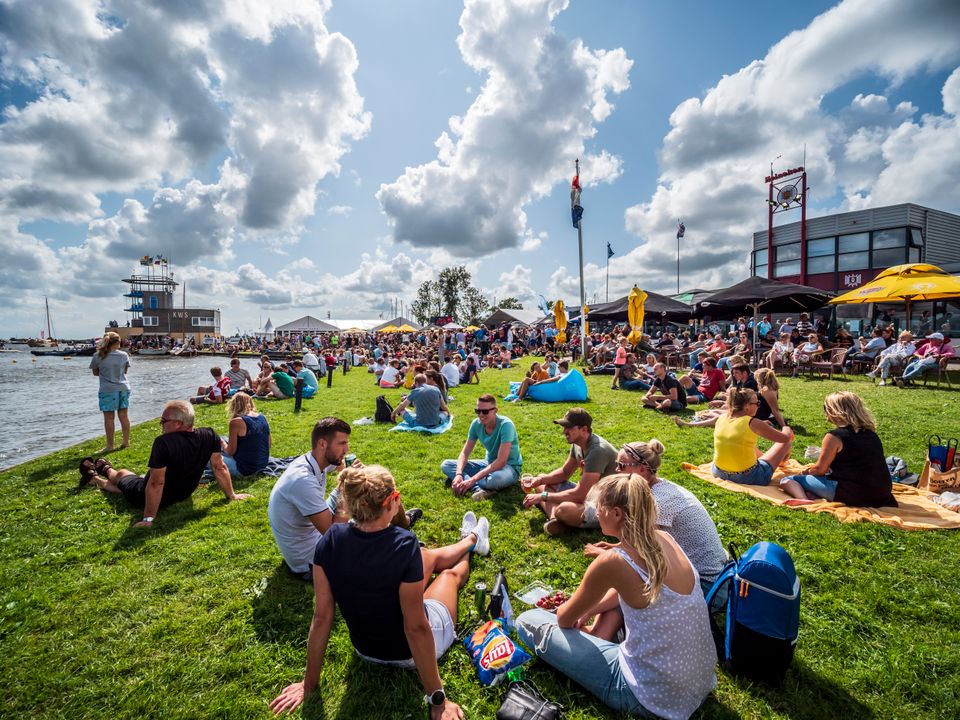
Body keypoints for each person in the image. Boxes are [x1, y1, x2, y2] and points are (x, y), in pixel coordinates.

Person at [270, 466, 489, 719]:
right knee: (449, 576)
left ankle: (469, 540)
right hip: (408, 654)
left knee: (426, 558)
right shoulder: (404, 545)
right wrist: (438, 700)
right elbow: (416, 628)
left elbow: (321, 618)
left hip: (365, 649)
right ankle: (473, 541)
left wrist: (308, 685)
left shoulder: (329, 540)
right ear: (392, 501)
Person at [515, 473, 717, 718]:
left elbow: (564, 620)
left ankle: (596, 640)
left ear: (617, 513)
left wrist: (575, 611)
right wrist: (591, 609)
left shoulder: (612, 562)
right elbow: (632, 590)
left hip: (648, 696)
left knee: (528, 620)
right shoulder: (665, 539)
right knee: (608, 609)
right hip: (699, 682)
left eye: (599, 507)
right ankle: (602, 636)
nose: (595, 513)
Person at [586, 440, 728, 597]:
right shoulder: (659, 488)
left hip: (707, 585)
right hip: (716, 574)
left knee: (625, 581)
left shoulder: (657, 503)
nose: (616, 470)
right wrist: (617, 547)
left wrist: (605, 555)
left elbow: (644, 554)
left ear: (643, 469)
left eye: (622, 465)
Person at [79, 400, 251, 526]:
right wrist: (232, 495)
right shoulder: (209, 435)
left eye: (164, 421)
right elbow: (219, 467)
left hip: (150, 496)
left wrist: (148, 519)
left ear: (178, 424)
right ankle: (97, 477)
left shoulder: (164, 442)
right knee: (132, 482)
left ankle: (103, 471)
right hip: (184, 492)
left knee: (123, 474)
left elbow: (156, 482)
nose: (160, 424)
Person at [780, 392, 896, 508]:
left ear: (834, 411)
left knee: (788, 480)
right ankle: (815, 495)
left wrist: (804, 473)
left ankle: (803, 499)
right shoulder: (871, 434)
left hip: (852, 493)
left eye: (826, 408)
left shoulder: (834, 437)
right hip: (881, 493)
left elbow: (820, 470)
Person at [520, 408, 618, 536]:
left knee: (564, 509)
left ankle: (559, 515)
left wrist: (543, 497)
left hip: (605, 504)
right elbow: (565, 472)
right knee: (541, 479)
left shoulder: (597, 451)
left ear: (584, 429)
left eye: (569, 427)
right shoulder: (578, 443)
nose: (564, 431)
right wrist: (539, 480)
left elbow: (580, 495)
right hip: (589, 493)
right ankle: (555, 520)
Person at [440, 394, 522, 500]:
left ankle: (472, 482)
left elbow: (501, 461)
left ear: (495, 410)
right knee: (446, 465)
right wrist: (458, 474)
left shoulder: (506, 425)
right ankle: (478, 489)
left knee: (493, 480)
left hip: (509, 467)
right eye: (478, 411)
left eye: (485, 411)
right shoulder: (476, 424)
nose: (481, 415)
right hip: (489, 463)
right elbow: (465, 452)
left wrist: (472, 479)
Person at [711, 388, 794, 486]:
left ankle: (774, 461)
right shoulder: (752, 423)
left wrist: (761, 424)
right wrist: (786, 428)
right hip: (747, 477)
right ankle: (782, 463)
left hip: (718, 472)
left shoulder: (722, 418)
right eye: (757, 403)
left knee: (741, 441)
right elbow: (784, 438)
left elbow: (741, 426)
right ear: (746, 406)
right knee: (788, 441)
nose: (758, 406)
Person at [89, 331, 131, 452]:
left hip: (107, 389)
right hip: (123, 387)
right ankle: (126, 442)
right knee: (123, 416)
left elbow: (95, 372)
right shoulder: (124, 355)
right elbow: (125, 371)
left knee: (109, 418)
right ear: (118, 342)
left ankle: (110, 446)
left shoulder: (98, 355)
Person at [220, 393, 271, 477]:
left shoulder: (236, 422)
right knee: (225, 438)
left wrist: (222, 443)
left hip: (244, 469)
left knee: (208, 453)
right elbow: (268, 444)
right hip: (262, 464)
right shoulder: (262, 417)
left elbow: (230, 451)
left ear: (234, 405)